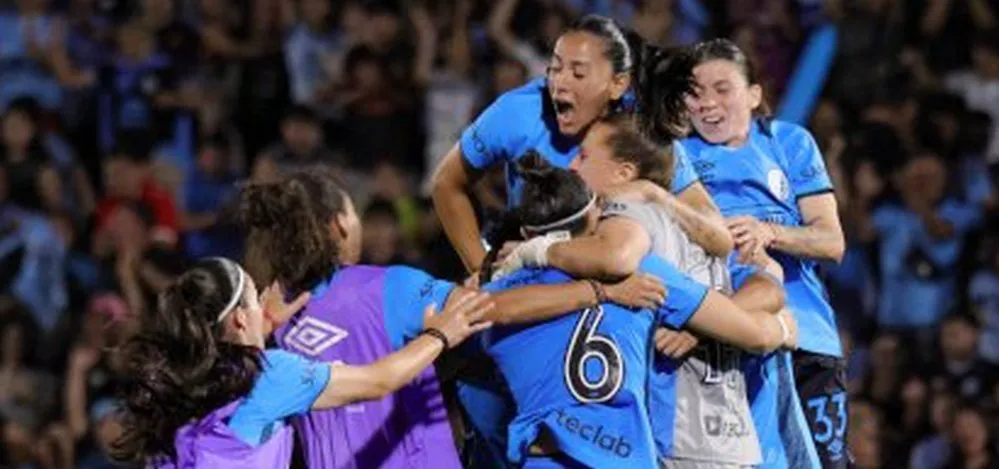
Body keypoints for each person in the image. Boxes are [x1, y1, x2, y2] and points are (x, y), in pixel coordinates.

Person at [237, 167, 667, 469]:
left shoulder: (268, 314)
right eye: (355, 211)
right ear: (339, 226)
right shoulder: (390, 288)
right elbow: (489, 308)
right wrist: (598, 291)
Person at [469, 152, 796, 468]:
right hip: (627, 458)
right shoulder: (642, 274)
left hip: (545, 458)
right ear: (597, 211)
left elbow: (467, 350)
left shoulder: (497, 295)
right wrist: (783, 327)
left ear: (527, 233)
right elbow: (753, 333)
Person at [111, 257, 493, 468]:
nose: (264, 302)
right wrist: (442, 333)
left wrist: (265, 326)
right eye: (254, 297)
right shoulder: (270, 376)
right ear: (241, 319)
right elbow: (379, 380)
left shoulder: (178, 386)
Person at [431, 15, 733, 281]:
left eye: (578, 73)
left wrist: (654, 194)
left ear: (618, 84)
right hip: (532, 277)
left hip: (623, 284)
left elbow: (719, 239)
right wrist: (481, 271)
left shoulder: (638, 129)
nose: (559, 83)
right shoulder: (518, 112)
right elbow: (447, 183)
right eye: (555, 68)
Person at [679, 38, 846, 468]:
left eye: (722, 88)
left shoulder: (789, 142)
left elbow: (831, 242)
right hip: (723, 342)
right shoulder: (674, 156)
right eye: (695, 92)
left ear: (754, 94)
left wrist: (768, 231)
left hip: (807, 339)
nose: (707, 104)